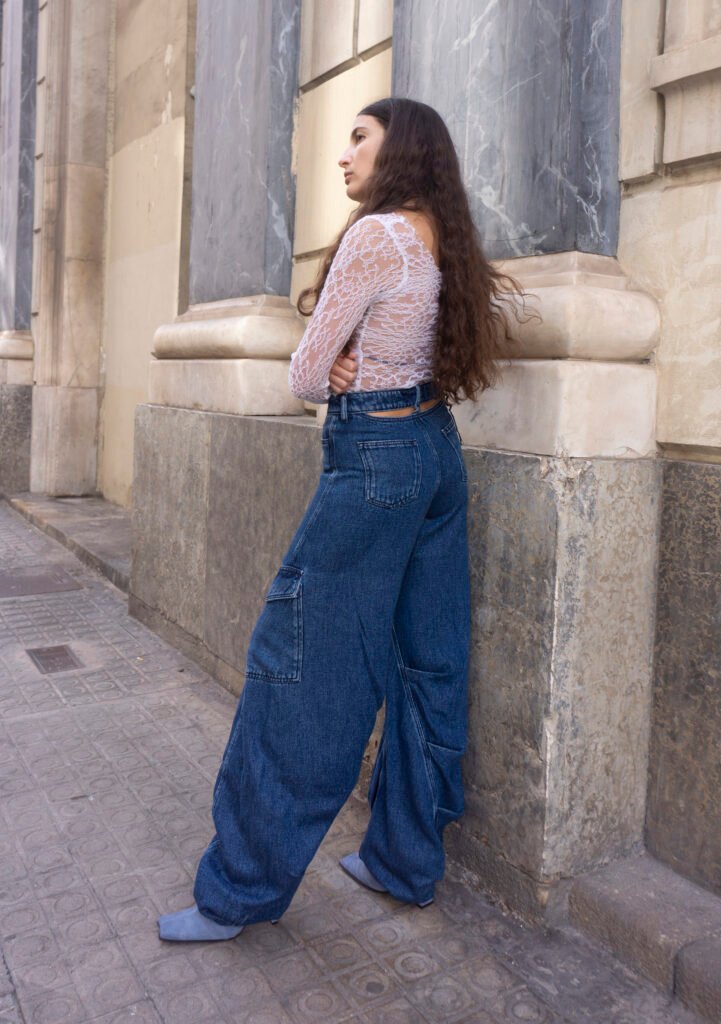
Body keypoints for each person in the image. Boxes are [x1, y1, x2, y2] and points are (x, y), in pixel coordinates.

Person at [158, 96, 528, 942]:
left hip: (377, 459)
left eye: (358, 137)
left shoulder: (377, 234)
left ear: (400, 148)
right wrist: (353, 359)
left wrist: (339, 361)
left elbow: (304, 372)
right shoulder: (444, 240)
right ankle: (405, 862)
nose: (344, 155)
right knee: (427, 659)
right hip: (435, 451)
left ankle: (239, 892)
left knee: (302, 664)